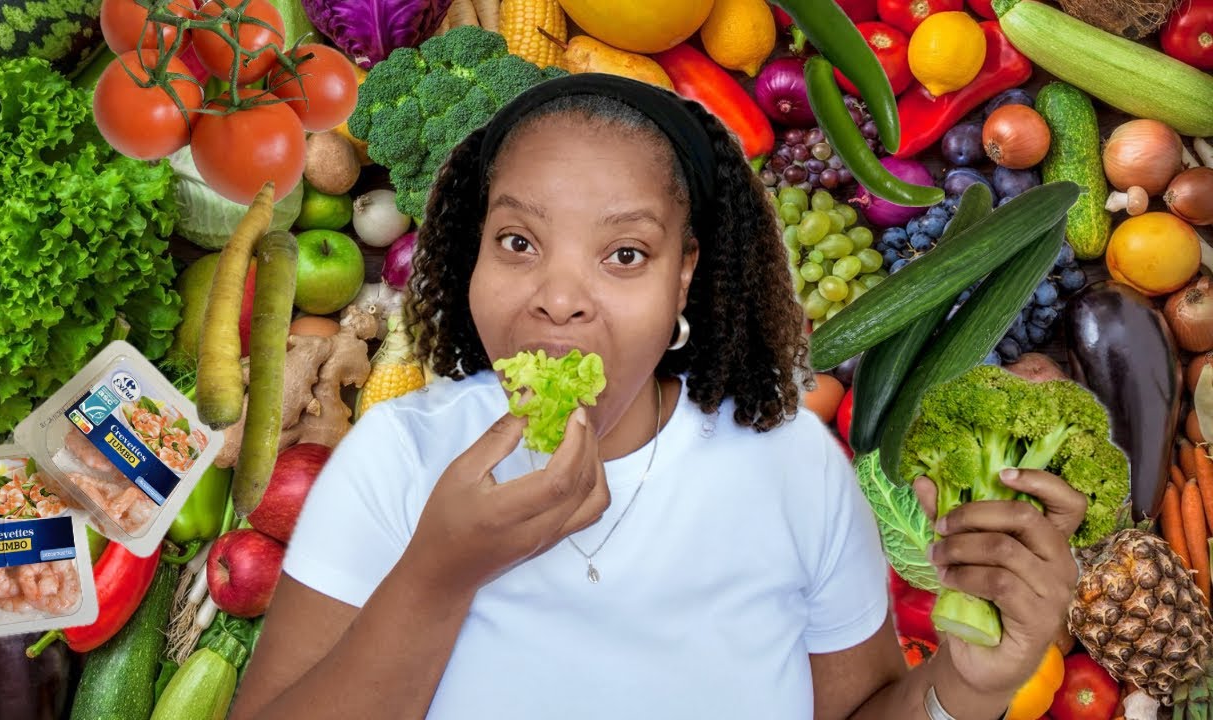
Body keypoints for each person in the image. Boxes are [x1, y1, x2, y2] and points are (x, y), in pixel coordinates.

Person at [229, 73, 1085, 720]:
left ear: (685, 277)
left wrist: (966, 689)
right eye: (518, 241)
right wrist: (436, 576)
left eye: (625, 255)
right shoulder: (395, 458)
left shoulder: (795, 469)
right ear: (472, 254)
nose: (559, 298)